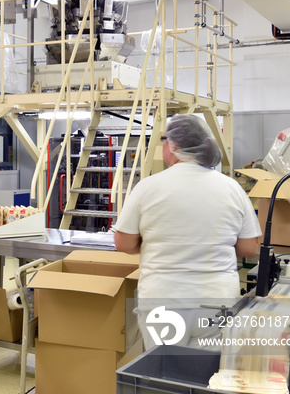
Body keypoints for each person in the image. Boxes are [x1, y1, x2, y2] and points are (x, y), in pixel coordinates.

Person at [112, 114, 261, 350]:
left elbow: (124, 244)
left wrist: (160, 242)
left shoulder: (148, 187)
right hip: (217, 300)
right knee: (207, 376)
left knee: (166, 376)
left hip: (165, 301)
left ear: (173, 144)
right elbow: (248, 248)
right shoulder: (232, 188)